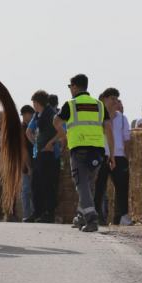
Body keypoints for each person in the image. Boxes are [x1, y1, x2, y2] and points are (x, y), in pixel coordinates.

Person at [54, 74, 115, 233]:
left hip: (79, 149)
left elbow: (56, 121)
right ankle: (81, 217)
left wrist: (64, 135)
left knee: (81, 185)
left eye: (70, 87)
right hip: (97, 150)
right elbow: (109, 129)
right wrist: (112, 155)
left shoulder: (70, 104)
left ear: (74, 87)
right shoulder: (99, 105)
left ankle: (91, 218)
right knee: (88, 185)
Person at [94, 90, 132, 226]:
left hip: (119, 156)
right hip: (102, 155)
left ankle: (121, 216)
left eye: (117, 99)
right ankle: (95, 215)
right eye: (112, 98)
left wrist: (127, 157)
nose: (115, 101)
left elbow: (127, 139)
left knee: (122, 188)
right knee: (99, 187)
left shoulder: (122, 118)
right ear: (103, 100)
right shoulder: (97, 117)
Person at [29, 91, 61, 223]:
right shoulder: (37, 115)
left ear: (39, 102)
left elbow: (61, 132)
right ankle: (38, 211)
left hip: (49, 155)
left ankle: (49, 213)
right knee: (35, 184)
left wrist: (51, 143)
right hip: (39, 154)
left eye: (35, 103)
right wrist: (36, 144)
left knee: (48, 184)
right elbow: (28, 132)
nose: (34, 106)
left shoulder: (51, 115)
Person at [20, 105, 36, 222]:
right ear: (26, 115)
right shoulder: (22, 128)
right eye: (31, 114)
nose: (32, 116)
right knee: (26, 190)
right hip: (26, 163)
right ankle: (27, 214)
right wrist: (28, 166)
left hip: (31, 161)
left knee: (32, 189)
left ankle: (31, 214)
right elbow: (23, 149)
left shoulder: (31, 127)